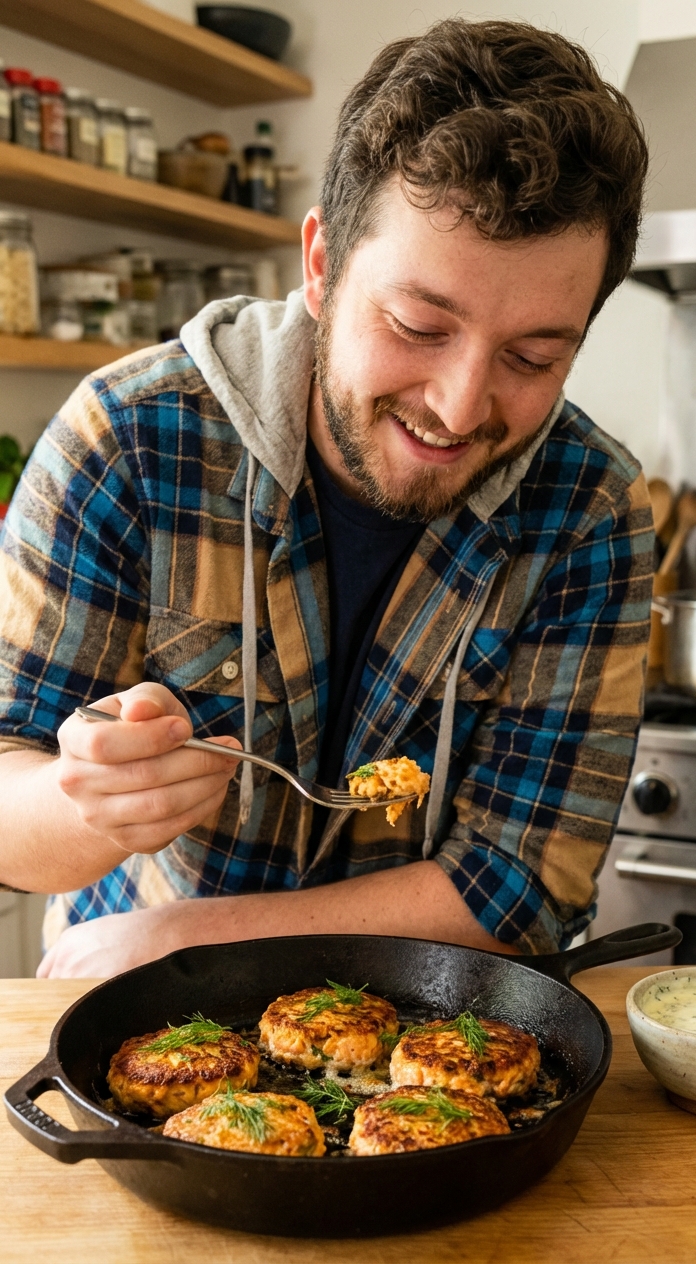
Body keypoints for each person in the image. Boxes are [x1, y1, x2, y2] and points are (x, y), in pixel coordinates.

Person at [0, 19, 653, 978]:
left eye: (532, 357)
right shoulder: (129, 437)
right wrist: (89, 801)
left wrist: (184, 939)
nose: (459, 407)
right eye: (418, 325)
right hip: (137, 1017)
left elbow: (522, 888)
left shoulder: (591, 510)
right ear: (320, 266)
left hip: (427, 1034)